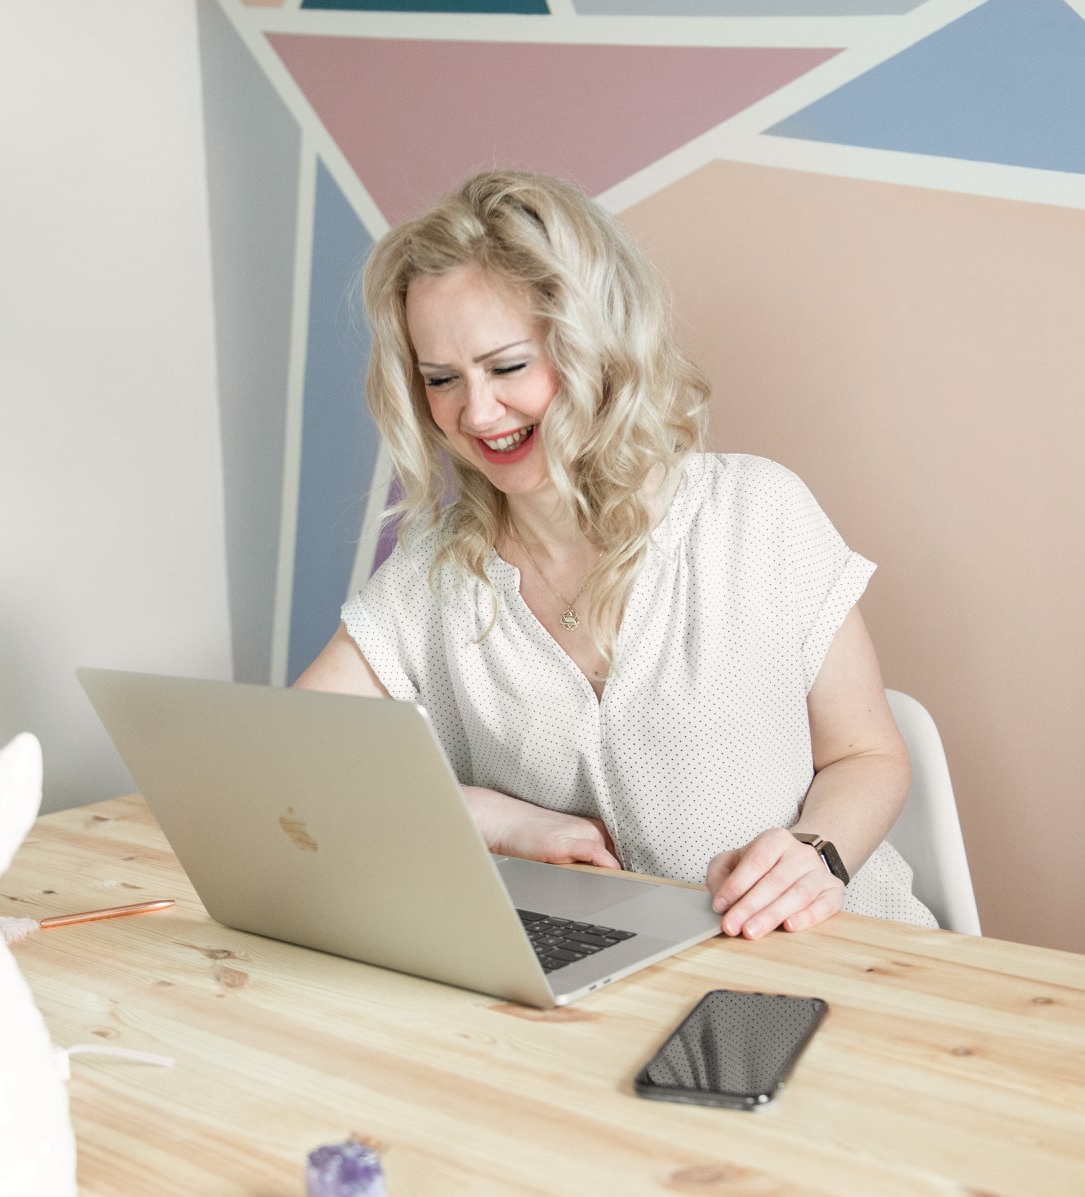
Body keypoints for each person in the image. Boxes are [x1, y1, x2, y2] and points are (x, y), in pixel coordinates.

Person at [296, 168, 935, 936]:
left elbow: (867, 755)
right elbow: (294, 760)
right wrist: (491, 818)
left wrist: (814, 854)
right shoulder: (432, 569)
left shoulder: (758, 515)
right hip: (606, 991)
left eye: (508, 366)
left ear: (596, 346)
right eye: (442, 378)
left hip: (836, 958)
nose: (477, 411)